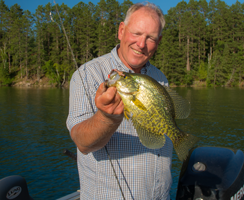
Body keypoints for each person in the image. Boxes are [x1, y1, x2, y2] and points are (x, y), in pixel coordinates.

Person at [66, 2, 173, 199]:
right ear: (121, 31)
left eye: (150, 38)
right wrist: (107, 117)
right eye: (136, 33)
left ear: (158, 41)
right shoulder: (87, 74)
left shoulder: (159, 78)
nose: (141, 44)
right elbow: (82, 142)